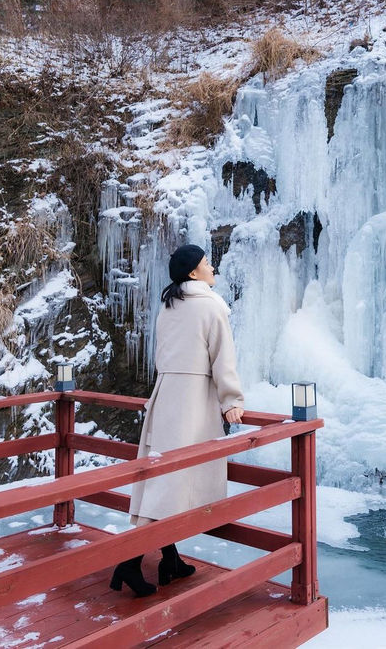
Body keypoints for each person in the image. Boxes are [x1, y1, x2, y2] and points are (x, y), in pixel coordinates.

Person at [110, 244, 244, 597]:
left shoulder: (170, 305)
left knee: (163, 477)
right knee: (173, 483)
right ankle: (129, 562)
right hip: (192, 401)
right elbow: (222, 358)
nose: (212, 266)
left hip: (166, 393)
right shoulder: (211, 305)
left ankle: (170, 560)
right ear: (192, 272)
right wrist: (231, 400)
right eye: (206, 263)